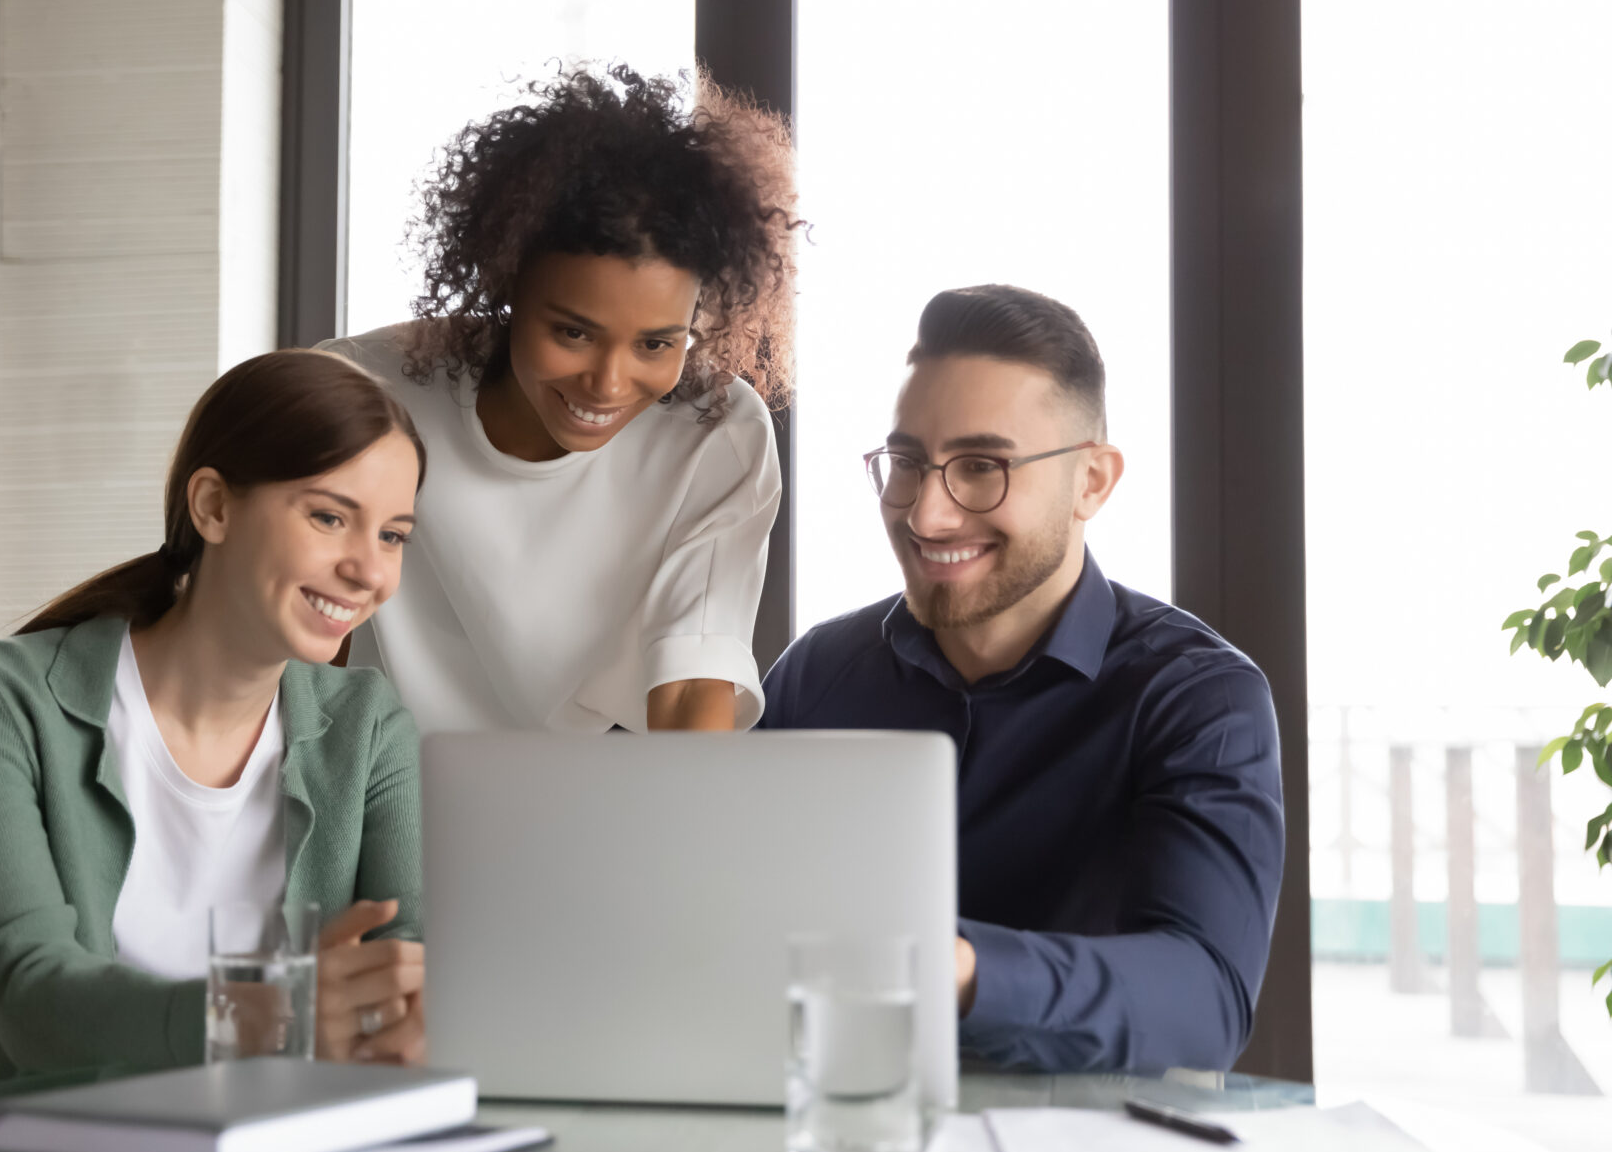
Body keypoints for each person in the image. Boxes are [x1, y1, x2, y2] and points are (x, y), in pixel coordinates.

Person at [759, 285, 1284, 1073]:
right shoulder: (817, 674)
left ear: (1092, 483)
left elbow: (1203, 1001)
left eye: (981, 467)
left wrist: (958, 970)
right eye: (906, 462)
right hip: (842, 1135)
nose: (927, 515)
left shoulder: (1199, 699)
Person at [0, 349, 430, 1092]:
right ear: (214, 506)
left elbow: (407, 965)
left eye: (392, 535)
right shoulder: (3, 697)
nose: (370, 570)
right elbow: (26, 995)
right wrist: (269, 1018)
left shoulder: (370, 725)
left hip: (275, 1151)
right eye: (330, 516)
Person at [320, 64, 801, 734]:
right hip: (391, 792)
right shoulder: (364, 394)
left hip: (608, 796)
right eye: (573, 332)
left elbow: (696, 686)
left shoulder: (716, 429)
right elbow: (301, 657)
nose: (607, 384)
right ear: (508, 281)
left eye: (658, 344)